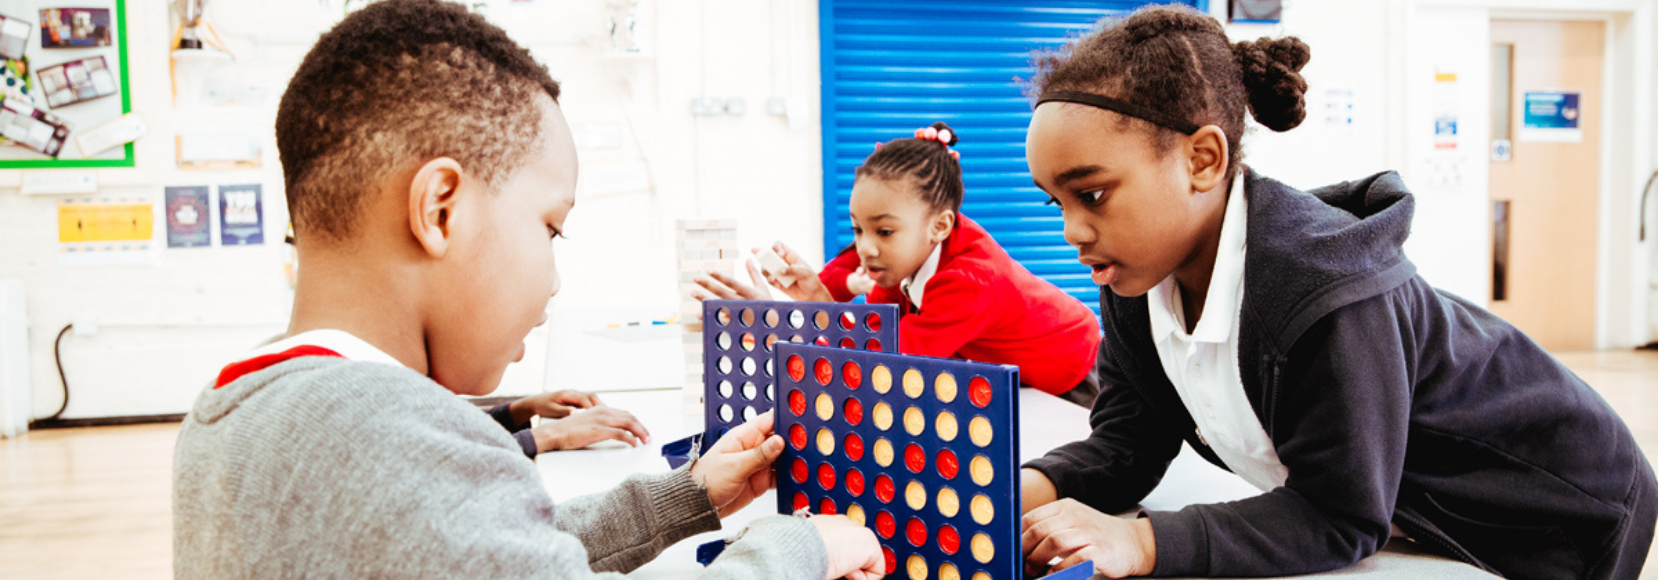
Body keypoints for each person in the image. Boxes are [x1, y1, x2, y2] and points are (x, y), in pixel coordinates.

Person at [172, 2, 884, 578]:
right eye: (551, 228)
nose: (554, 278)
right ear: (439, 210)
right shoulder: (395, 441)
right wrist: (803, 549)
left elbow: (484, 550)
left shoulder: (248, 407)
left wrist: (688, 494)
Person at [1016, 6, 1655, 580]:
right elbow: (1127, 444)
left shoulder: (1326, 294)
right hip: (1395, 511)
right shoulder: (1136, 278)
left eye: (1092, 194)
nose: (1073, 230)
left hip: (1554, 507)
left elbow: (1337, 514)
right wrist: (1023, 489)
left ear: (1203, 160)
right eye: (1058, 203)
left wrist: (1143, 543)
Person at [695, 123, 1103, 403]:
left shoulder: (971, 281)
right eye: (858, 229)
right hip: (1012, 368)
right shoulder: (908, 254)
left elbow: (883, 361)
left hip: (1073, 374)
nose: (866, 248)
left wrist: (778, 328)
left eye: (883, 232)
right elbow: (874, 329)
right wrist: (819, 300)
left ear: (939, 226)